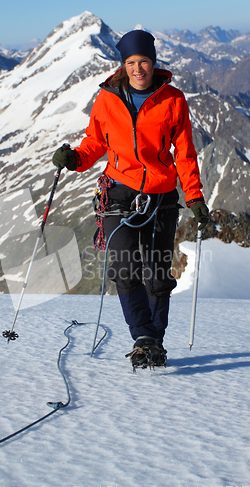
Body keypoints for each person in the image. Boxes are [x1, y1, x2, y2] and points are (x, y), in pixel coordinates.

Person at [52, 30, 209, 370]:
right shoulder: (108, 99)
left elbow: (184, 153)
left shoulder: (174, 100)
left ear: (154, 63)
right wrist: (76, 159)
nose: (138, 69)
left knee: (157, 274)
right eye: (131, 63)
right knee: (124, 266)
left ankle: (155, 341)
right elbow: (95, 141)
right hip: (118, 191)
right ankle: (143, 338)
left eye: (144, 62)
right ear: (123, 65)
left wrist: (194, 197)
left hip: (160, 195)